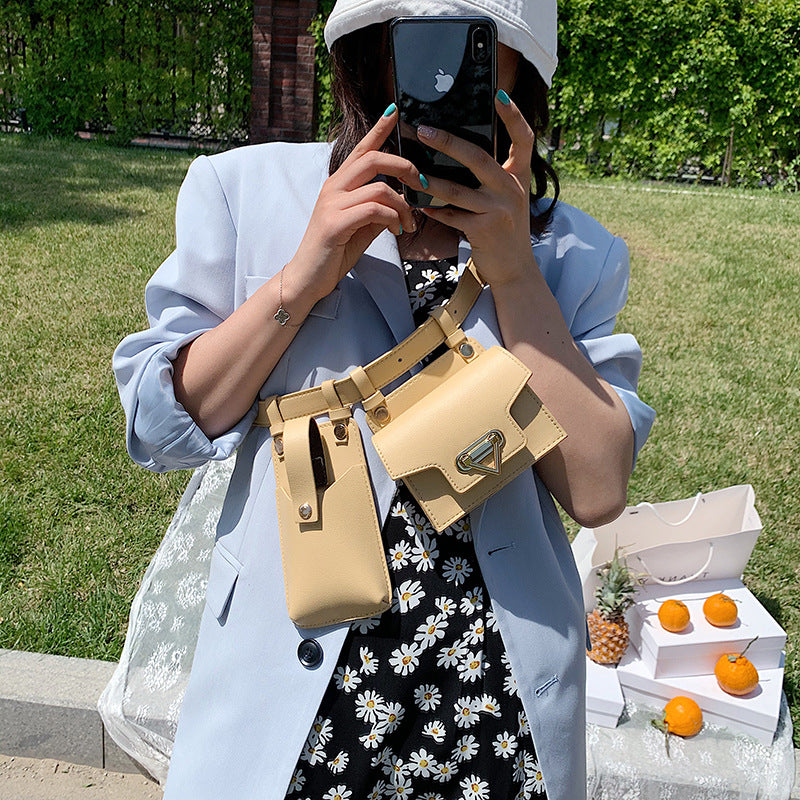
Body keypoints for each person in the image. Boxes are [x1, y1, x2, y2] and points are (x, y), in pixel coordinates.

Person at [113, 1, 655, 798]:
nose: (434, 79)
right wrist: (304, 274)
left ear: (519, 79)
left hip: (494, 696)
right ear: (364, 57)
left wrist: (515, 274)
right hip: (293, 679)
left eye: (470, 51)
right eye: (407, 41)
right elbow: (161, 428)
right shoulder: (245, 191)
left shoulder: (573, 251)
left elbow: (600, 489)